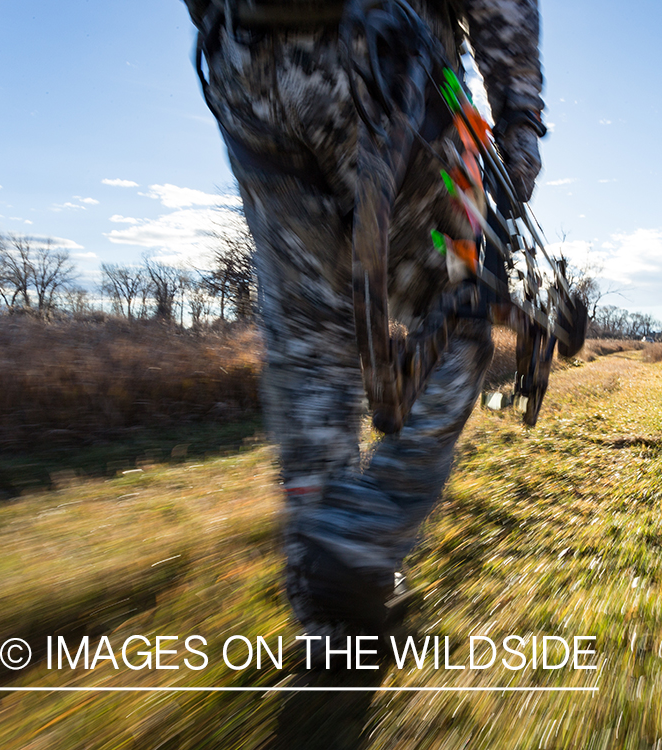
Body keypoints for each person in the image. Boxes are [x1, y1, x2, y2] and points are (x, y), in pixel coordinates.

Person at [184, 0, 546, 653]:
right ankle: (363, 534)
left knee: (307, 341)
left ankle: (327, 607)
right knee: (459, 309)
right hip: (390, 62)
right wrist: (519, 130)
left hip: (240, 76)